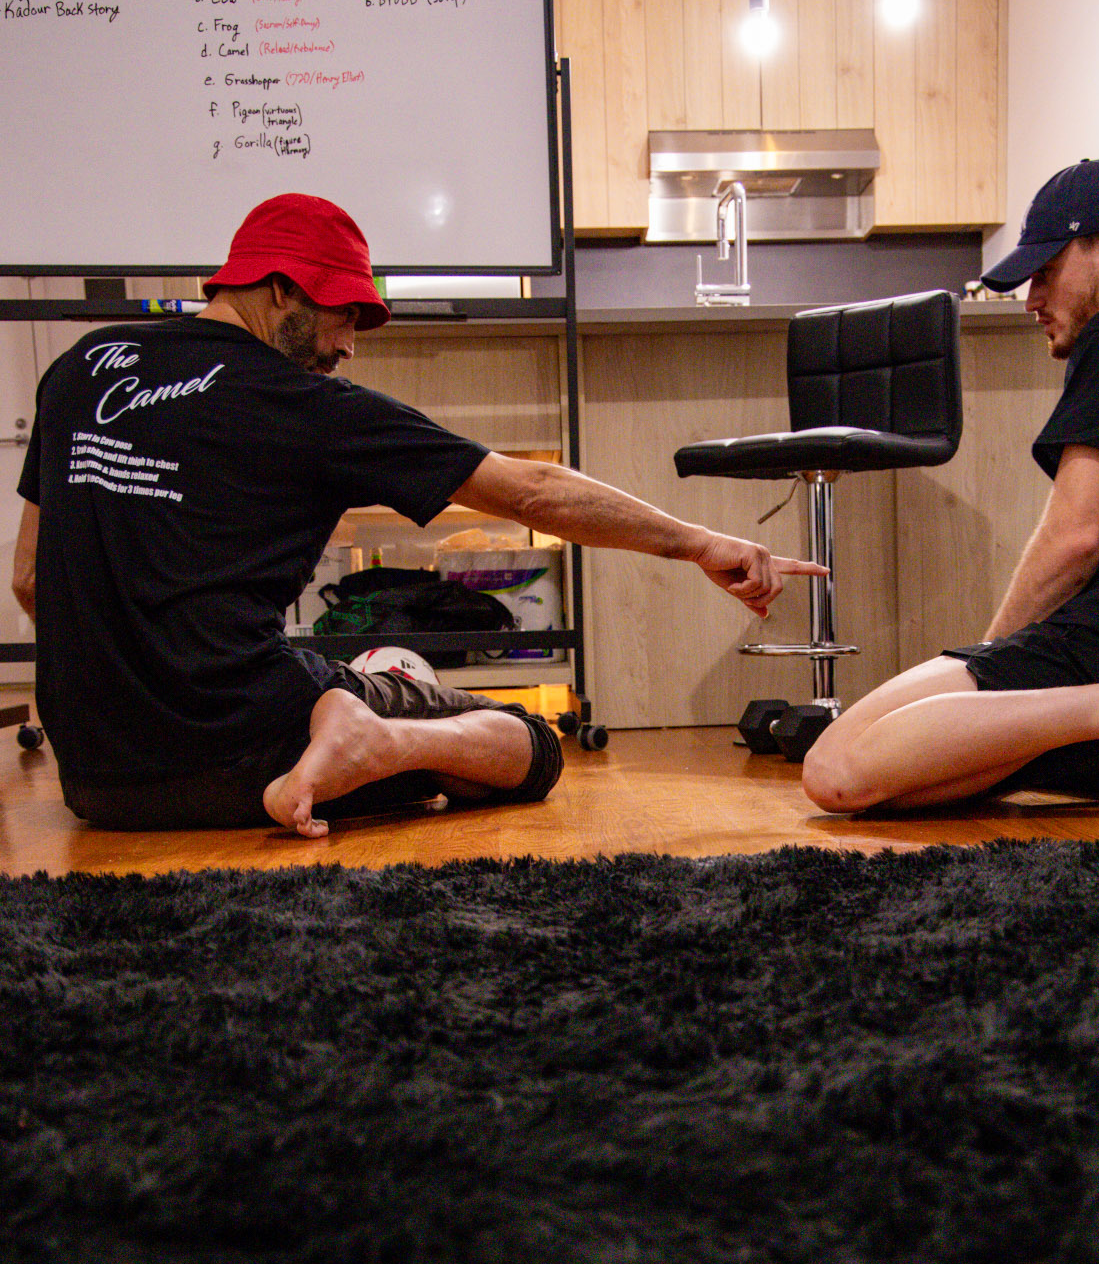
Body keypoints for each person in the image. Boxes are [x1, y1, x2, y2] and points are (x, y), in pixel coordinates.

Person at [13, 192, 823, 840]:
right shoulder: (311, 407)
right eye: (346, 315)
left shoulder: (78, 369)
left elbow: (28, 580)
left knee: (367, 681)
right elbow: (534, 494)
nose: (351, 345)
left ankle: (362, 719)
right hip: (252, 754)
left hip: (98, 780)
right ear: (281, 289)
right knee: (531, 745)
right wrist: (700, 543)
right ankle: (380, 738)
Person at [801, 159, 1099, 829]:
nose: (1032, 298)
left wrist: (992, 667)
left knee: (833, 767)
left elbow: (1074, 540)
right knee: (896, 788)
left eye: (1047, 271)